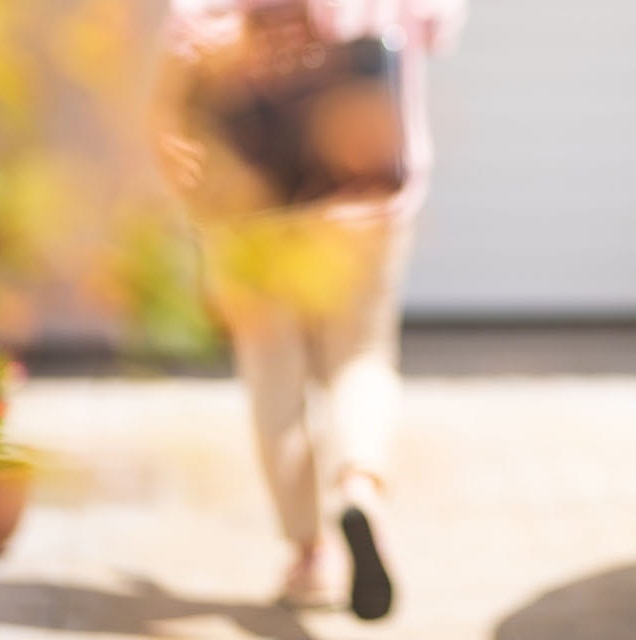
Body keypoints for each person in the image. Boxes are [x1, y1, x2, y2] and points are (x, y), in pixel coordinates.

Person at [150, 0, 465, 620]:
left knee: (273, 369)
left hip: (250, 198)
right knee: (362, 356)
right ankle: (359, 488)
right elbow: (435, 24)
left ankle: (308, 553)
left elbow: (183, 49)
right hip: (361, 190)